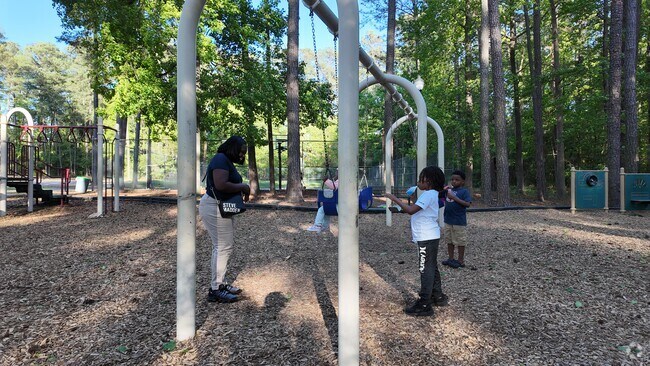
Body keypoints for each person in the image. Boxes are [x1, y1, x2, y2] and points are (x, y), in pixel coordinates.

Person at [384, 166, 449, 316]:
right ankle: (437, 296)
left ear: (429, 182)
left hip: (425, 237)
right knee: (431, 266)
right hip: (431, 235)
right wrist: (412, 198)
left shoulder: (428, 195)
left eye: (421, 179)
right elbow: (416, 208)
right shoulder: (431, 194)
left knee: (424, 268)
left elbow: (411, 210)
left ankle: (424, 303)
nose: (418, 182)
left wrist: (395, 199)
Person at [199, 136, 250, 303]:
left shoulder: (224, 160)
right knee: (222, 247)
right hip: (214, 206)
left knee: (223, 246)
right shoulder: (221, 159)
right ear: (233, 148)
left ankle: (220, 283)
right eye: (241, 152)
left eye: (244, 153)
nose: (242, 156)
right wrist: (243, 186)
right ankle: (216, 289)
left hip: (220, 206)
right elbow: (221, 185)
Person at [441, 170, 472, 269]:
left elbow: (467, 204)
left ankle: (460, 260)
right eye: (452, 179)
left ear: (463, 181)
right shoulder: (448, 190)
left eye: (457, 180)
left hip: (459, 221)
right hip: (448, 220)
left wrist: (454, 198)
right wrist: (443, 190)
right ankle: (451, 258)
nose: (454, 181)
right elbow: (440, 197)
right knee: (449, 240)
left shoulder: (464, 191)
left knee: (460, 241)